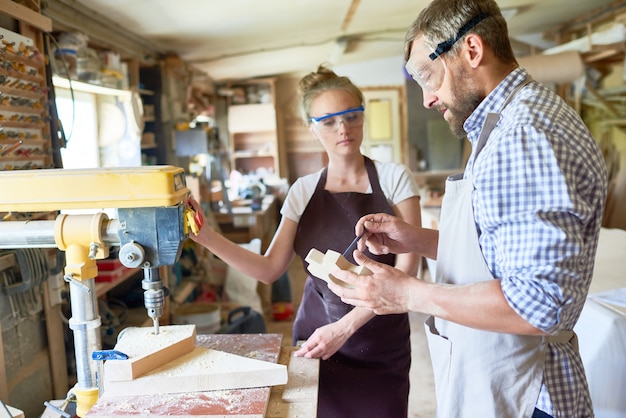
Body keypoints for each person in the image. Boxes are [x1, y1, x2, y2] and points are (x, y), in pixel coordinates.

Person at [329, 1, 608, 418]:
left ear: (472, 50)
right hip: (502, 382)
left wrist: (407, 292)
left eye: (428, 75)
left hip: (528, 394)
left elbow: (538, 303)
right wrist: (416, 240)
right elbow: (501, 255)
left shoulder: (524, 133)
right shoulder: (503, 125)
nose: (426, 98)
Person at [188, 64, 422, 417]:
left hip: (379, 343)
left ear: (362, 116)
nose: (343, 129)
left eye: (351, 116)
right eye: (328, 121)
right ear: (312, 129)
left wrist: (344, 328)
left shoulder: (394, 178)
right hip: (317, 342)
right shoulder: (303, 191)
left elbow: (408, 271)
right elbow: (269, 269)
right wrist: (204, 236)